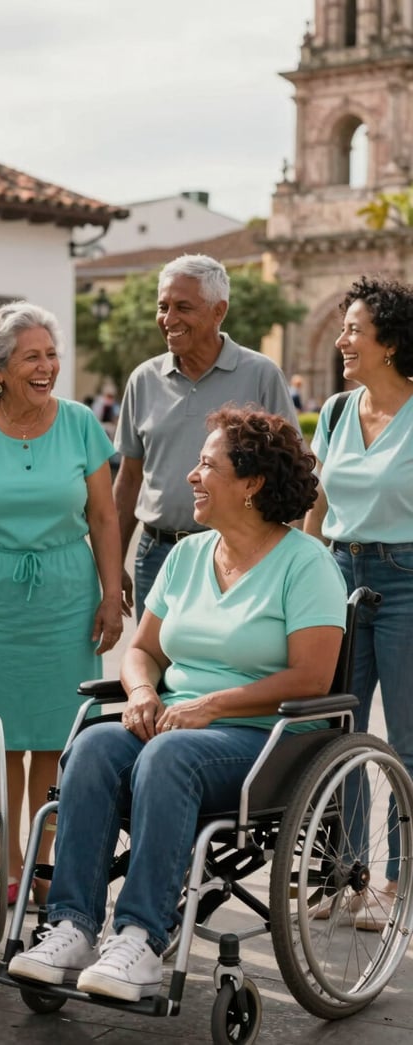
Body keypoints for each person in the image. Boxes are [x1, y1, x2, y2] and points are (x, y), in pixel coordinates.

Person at [9, 407, 347, 1002]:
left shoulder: (307, 563)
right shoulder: (189, 556)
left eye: (207, 465)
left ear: (251, 484)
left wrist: (213, 705)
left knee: (169, 757)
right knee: (92, 744)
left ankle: (141, 936)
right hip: (176, 723)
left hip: (266, 739)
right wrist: (140, 691)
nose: (191, 476)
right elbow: (141, 651)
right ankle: (71, 927)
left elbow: (313, 677)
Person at [0, 302, 124, 906]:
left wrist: (112, 595)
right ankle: (5, 860)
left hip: (67, 595)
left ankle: (42, 860)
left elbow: (102, 514)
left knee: (55, 737)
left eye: (51, 355)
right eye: (31, 357)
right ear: (1, 368)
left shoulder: (80, 423)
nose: (47, 367)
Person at [305, 275, 413, 929]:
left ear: (391, 342)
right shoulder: (339, 411)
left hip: (407, 577)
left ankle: (395, 879)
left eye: (354, 329)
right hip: (341, 572)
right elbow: (316, 505)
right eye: (342, 328)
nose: (343, 340)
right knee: (339, 732)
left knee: (404, 739)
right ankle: (349, 874)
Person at [113, 254, 299, 620]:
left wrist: (280, 560)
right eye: (163, 307)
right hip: (156, 555)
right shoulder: (143, 379)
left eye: (183, 307)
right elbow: (130, 477)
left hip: (238, 555)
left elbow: (290, 475)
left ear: (219, 312)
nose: (168, 320)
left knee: (227, 670)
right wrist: (112, 564)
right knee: (152, 668)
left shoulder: (261, 375)